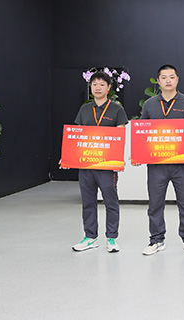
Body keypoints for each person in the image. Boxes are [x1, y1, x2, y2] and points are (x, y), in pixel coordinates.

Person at [139, 64, 184, 256]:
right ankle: (156, 240)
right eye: (164, 77)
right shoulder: (149, 104)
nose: (168, 80)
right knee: (155, 203)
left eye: (172, 77)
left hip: (181, 164)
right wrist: (139, 154)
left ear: (177, 79)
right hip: (156, 165)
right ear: (158, 81)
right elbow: (142, 131)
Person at [71, 71, 128, 253]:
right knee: (88, 201)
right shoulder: (84, 109)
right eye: (94, 84)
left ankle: (111, 238)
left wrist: (118, 160)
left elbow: (120, 137)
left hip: (107, 165)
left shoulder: (117, 109)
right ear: (90, 87)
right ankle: (90, 237)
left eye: (102, 84)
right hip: (87, 164)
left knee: (110, 201)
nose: (97, 87)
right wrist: (69, 156)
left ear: (108, 88)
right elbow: (78, 136)